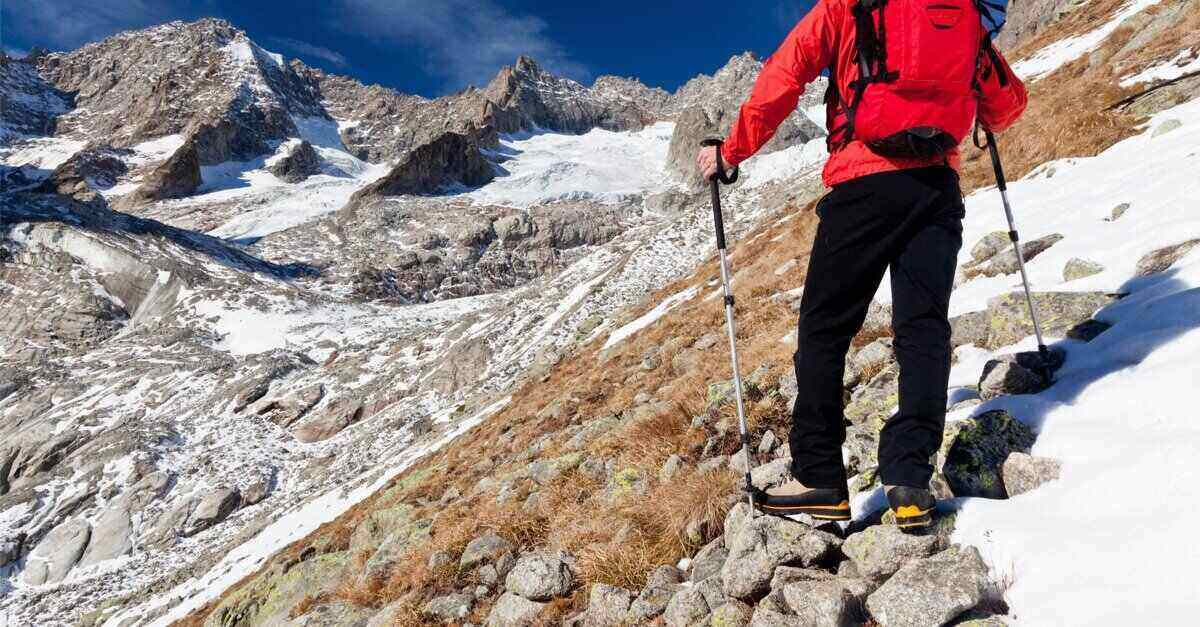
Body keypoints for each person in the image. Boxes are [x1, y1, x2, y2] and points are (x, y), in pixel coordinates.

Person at [697, 0, 1027, 528]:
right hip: (937, 188)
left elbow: (785, 74)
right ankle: (909, 480)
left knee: (826, 329)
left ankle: (820, 476)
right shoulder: (963, 10)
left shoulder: (847, 6)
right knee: (922, 329)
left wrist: (730, 152)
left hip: (864, 184)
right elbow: (1006, 106)